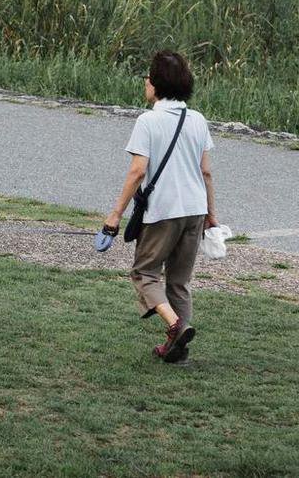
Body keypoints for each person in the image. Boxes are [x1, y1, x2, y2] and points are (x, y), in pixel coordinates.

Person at [104, 50, 217, 364]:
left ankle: (176, 326)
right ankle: (176, 349)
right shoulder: (197, 120)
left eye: (148, 76)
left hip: (164, 211)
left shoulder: (148, 121)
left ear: (156, 83)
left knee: (145, 272)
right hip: (195, 210)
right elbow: (206, 171)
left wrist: (115, 214)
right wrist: (212, 215)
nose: (146, 81)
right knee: (179, 282)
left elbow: (138, 171)